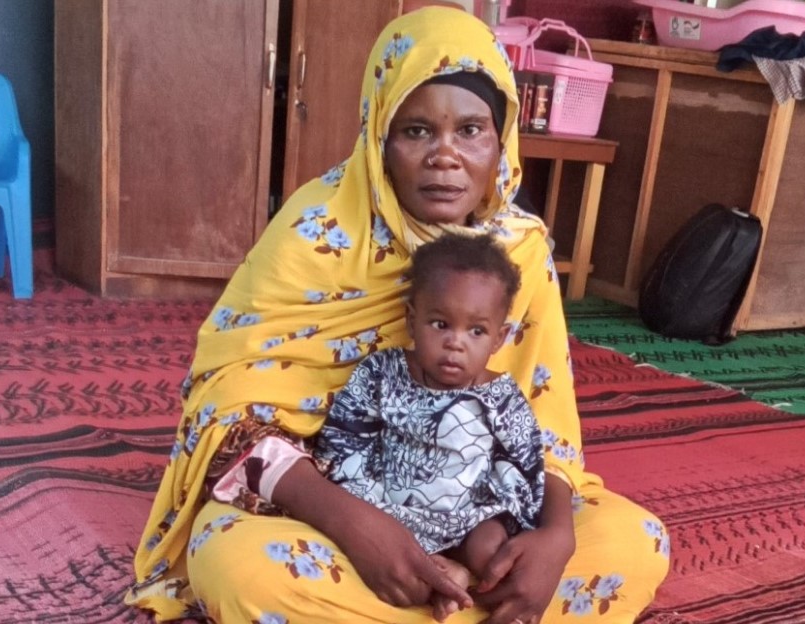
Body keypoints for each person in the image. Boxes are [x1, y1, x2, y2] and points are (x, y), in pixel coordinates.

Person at [128, 7, 670, 624]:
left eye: (471, 131)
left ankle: (453, 596)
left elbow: (542, 425)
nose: (445, 155)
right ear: (377, 135)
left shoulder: (519, 252)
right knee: (236, 564)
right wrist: (356, 525)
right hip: (333, 505)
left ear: (502, 143)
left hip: (485, 512)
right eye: (416, 131)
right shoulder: (318, 232)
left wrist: (555, 540)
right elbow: (232, 416)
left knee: (637, 542)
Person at [315, 232, 545, 622]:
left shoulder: (501, 396)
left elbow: (523, 463)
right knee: (365, 547)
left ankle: (467, 583)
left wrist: (505, 516)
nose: (455, 343)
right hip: (389, 507)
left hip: (469, 517)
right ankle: (436, 572)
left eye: (476, 331)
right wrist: (364, 499)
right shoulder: (382, 374)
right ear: (412, 320)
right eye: (440, 324)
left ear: (499, 338)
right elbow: (345, 440)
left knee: (492, 548)